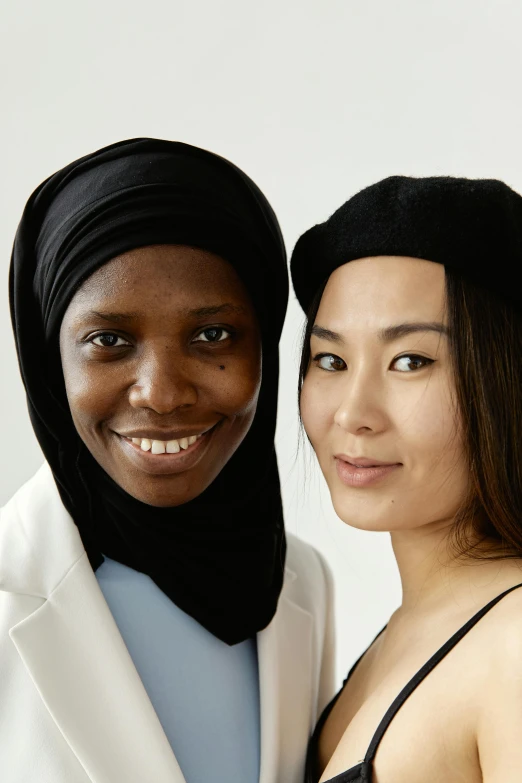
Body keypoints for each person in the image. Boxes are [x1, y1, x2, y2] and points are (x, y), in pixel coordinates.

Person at [1, 138, 335, 783]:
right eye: (109, 340)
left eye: (213, 335)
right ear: (48, 361)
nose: (161, 392)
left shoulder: (299, 583)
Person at [290, 175, 522, 783]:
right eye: (331, 361)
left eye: (411, 361)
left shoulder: (515, 642)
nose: (352, 413)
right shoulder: (406, 626)